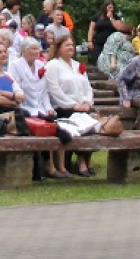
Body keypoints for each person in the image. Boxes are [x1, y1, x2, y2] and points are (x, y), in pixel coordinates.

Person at [7, 36, 66, 178]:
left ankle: (57, 165)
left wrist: (48, 108)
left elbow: (44, 92)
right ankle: (46, 166)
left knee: (52, 120)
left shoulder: (41, 65)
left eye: (37, 48)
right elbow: (15, 88)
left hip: (40, 108)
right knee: (40, 125)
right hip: (24, 106)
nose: (37, 51)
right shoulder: (16, 65)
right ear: (24, 51)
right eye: (33, 49)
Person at [46, 35, 98, 176]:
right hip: (62, 108)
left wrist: (87, 102)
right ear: (58, 48)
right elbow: (54, 89)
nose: (70, 47)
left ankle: (85, 158)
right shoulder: (53, 65)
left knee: (94, 123)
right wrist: (73, 105)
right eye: (67, 45)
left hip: (81, 108)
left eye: (72, 45)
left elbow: (87, 86)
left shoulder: (77, 65)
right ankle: (81, 161)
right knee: (81, 123)